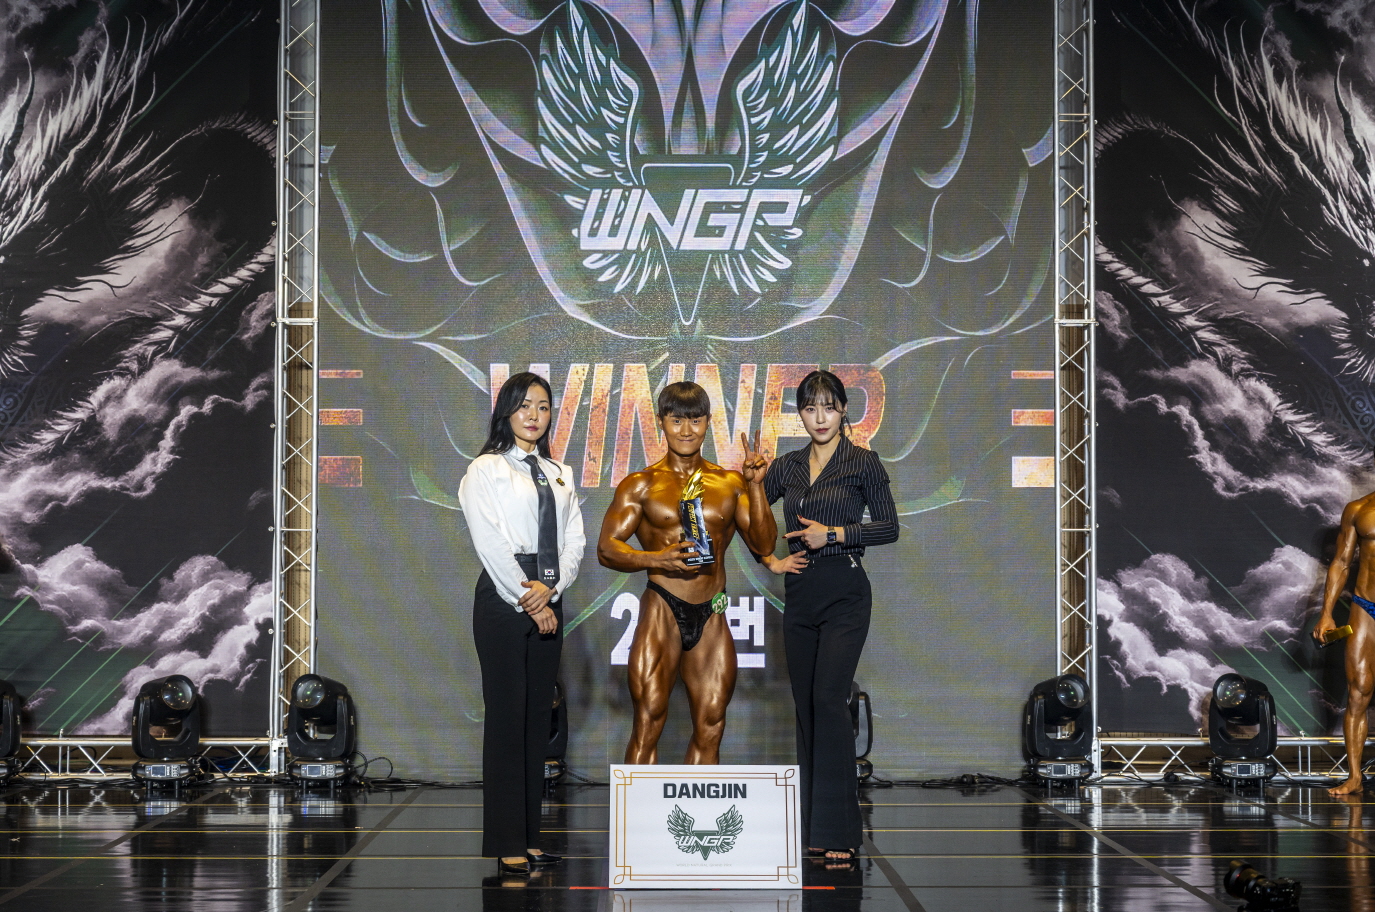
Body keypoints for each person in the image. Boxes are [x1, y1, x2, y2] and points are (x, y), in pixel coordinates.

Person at [598, 381, 776, 764]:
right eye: (676, 420)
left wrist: (756, 488)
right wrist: (657, 559)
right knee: (649, 720)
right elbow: (607, 548)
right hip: (662, 607)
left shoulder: (730, 483)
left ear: (708, 422)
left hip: (711, 612)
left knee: (711, 724)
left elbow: (764, 545)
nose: (686, 430)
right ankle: (639, 806)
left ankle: (696, 805)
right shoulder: (641, 485)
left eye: (695, 420)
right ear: (661, 422)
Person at [760, 369, 898, 863]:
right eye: (810, 407)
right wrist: (770, 560)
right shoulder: (787, 466)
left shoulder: (862, 462)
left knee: (828, 700)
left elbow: (889, 527)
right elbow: (748, 515)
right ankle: (811, 829)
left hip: (845, 590)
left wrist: (834, 534)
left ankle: (840, 832)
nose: (820, 417)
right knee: (806, 705)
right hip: (800, 593)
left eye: (829, 407)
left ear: (843, 411)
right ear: (799, 413)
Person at [458, 372, 585, 875]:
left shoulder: (560, 472)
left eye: (544, 406)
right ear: (506, 411)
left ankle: (530, 838)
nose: (534, 415)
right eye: (525, 405)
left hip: (548, 591)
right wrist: (530, 599)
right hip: (505, 596)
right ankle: (506, 840)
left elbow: (574, 540)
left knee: (537, 722)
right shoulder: (485, 469)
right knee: (508, 719)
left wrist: (551, 590)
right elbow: (489, 543)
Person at [1314, 476, 1375, 796]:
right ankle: (1354, 777)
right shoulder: (1358, 509)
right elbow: (1341, 562)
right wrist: (1326, 613)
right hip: (1366, 608)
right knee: (1358, 690)